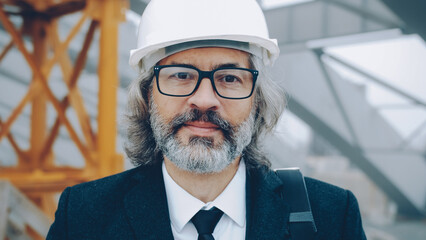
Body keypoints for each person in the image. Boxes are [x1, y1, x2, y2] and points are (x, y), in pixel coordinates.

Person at [47, 0, 366, 239]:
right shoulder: (84, 217)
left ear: (257, 101)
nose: (204, 99)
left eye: (229, 78)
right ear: (148, 96)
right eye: (181, 75)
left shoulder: (332, 216)